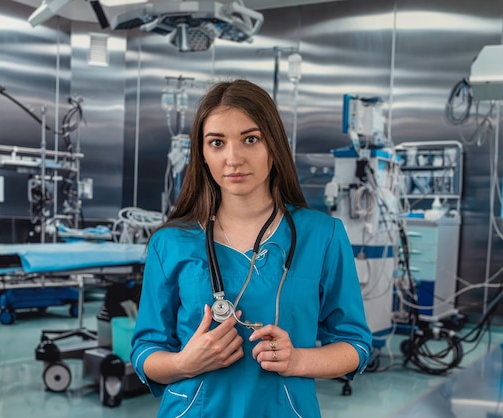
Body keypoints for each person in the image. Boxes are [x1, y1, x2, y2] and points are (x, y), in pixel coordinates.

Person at [131, 78, 372, 417]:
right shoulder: (170, 242)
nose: (233, 158)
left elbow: (356, 345)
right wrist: (185, 362)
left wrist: (299, 359)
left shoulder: (323, 236)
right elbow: (146, 351)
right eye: (216, 142)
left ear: (274, 145)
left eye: (250, 139)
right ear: (201, 153)